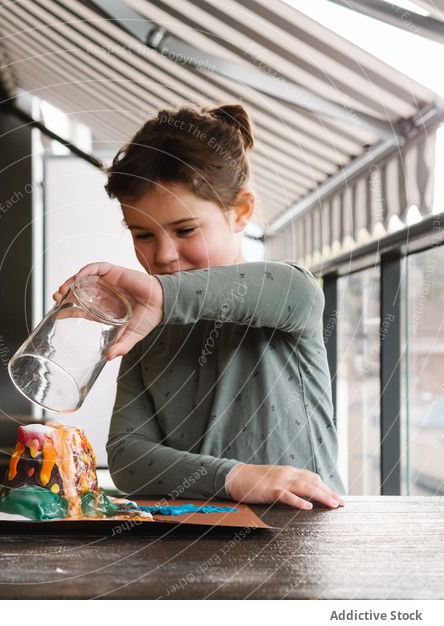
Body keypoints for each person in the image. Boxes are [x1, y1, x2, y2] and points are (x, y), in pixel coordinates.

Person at [53, 105, 345, 511]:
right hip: (185, 545)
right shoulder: (146, 324)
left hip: (303, 530)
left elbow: (300, 291)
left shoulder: (279, 295)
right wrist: (236, 477)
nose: (165, 255)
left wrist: (161, 296)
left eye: (185, 229)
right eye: (143, 234)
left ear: (240, 212)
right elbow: (126, 456)